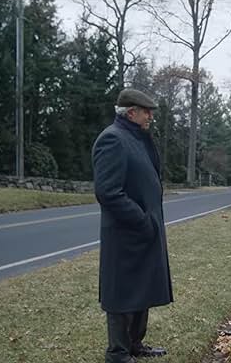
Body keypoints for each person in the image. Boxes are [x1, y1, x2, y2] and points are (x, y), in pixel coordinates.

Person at [92, 88, 173, 363]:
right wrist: (140, 219)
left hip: (144, 230)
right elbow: (108, 192)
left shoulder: (135, 138)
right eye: (146, 111)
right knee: (122, 292)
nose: (150, 116)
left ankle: (135, 344)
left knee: (142, 288)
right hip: (125, 232)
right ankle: (117, 353)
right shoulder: (113, 139)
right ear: (131, 112)